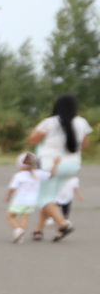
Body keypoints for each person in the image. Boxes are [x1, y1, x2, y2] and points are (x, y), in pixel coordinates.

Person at [28, 94, 90, 242]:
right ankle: (39, 230)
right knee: (50, 198)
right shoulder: (82, 122)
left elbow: (33, 140)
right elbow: (85, 145)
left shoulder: (49, 122)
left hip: (51, 165)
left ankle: (63, 224)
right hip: (72, 166)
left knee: (43, 199)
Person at [5, 152, 50, 243]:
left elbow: (12, 188)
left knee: (10, 216)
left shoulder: (18, 176)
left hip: (20, 200)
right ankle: (21, 236)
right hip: (32, 201)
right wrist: (56, 165)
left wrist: (8, 196)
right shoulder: (38, 174)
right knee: (24, 217)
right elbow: (50, 175)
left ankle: (18, 230)